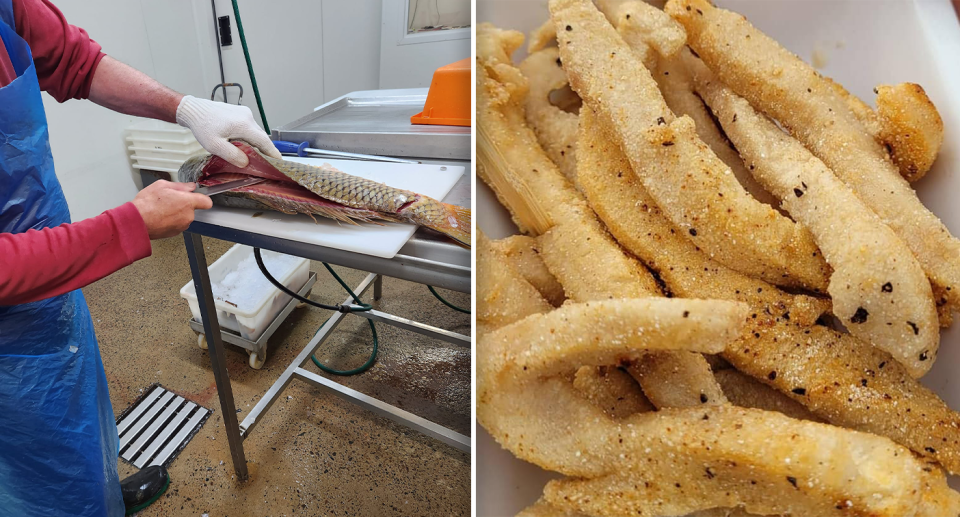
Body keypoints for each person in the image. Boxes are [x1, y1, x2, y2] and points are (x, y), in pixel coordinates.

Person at [0, 0, 281, 514]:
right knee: (30, 458)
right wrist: (127, 226)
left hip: (51, 275)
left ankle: (99, 493)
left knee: (75, 406)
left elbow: (75, 61)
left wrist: (186, 107)